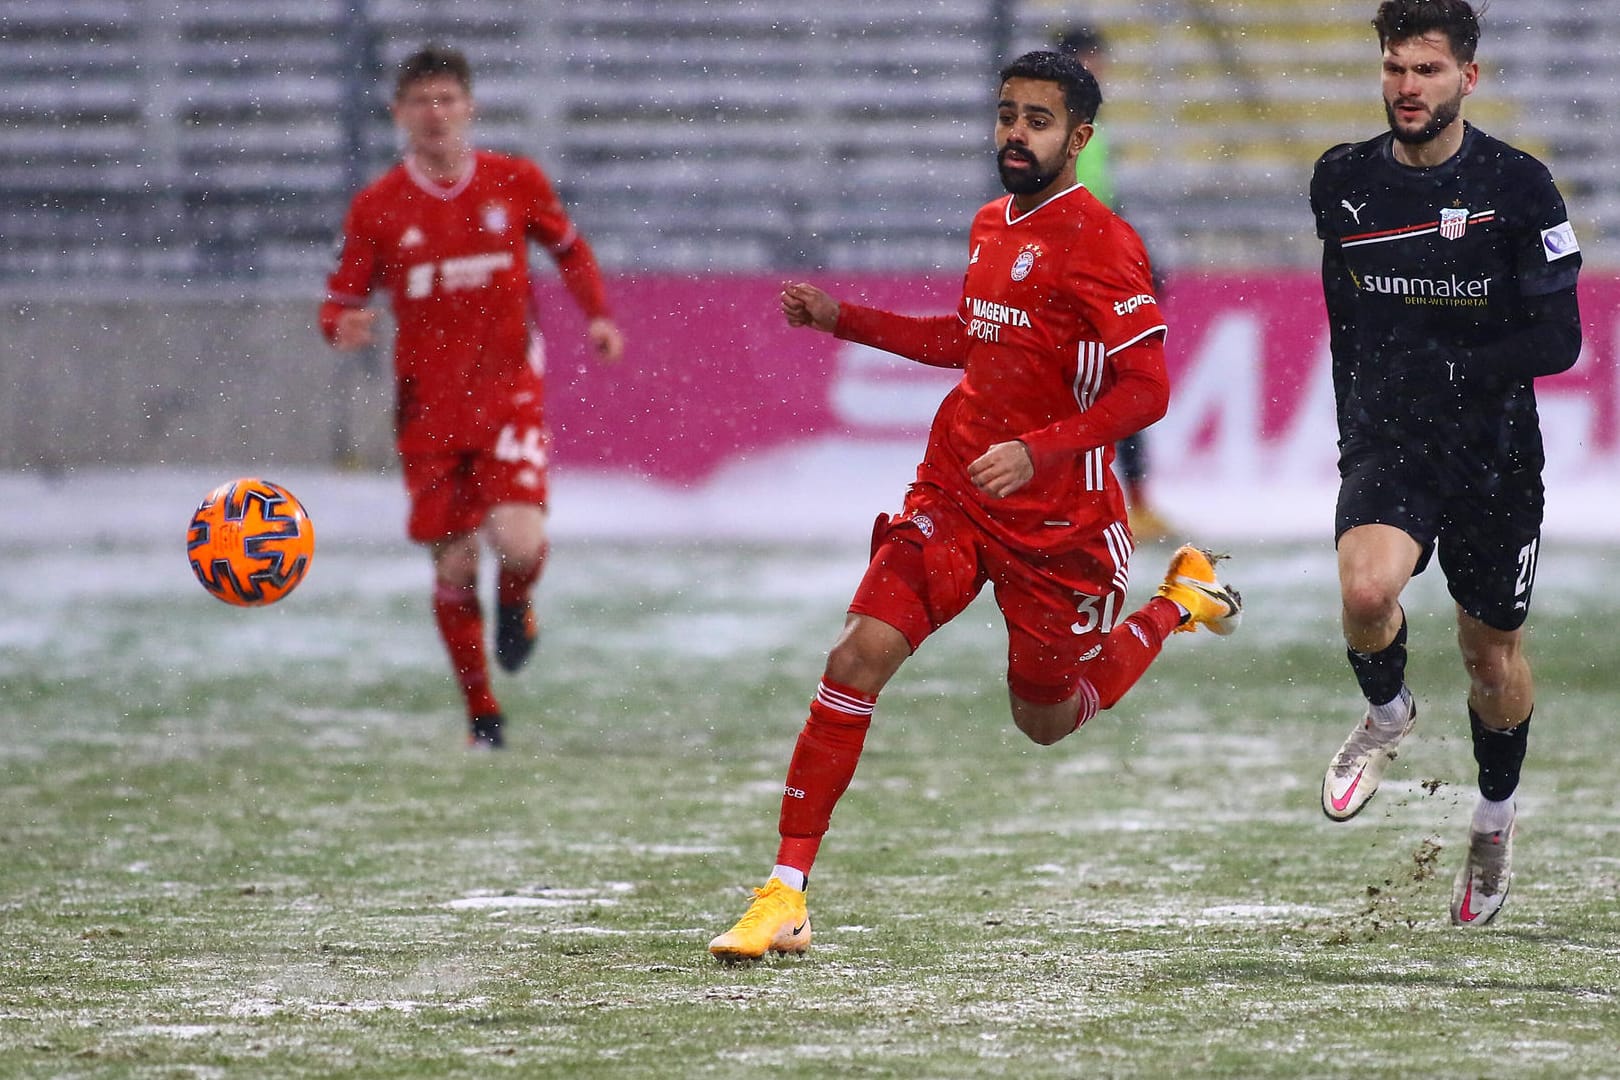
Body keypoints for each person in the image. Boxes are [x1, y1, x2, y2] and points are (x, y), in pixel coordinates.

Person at [708, 50, 1243, 963]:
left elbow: (1146, 391)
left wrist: (1039, 450)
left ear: (1078, 139)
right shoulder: (989, 224)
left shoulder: (1106, 244)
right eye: (1007, 115)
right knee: (857, 655)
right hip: (955, 491)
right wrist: (847, 320)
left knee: (1047, 718)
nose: (1015, 134)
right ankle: (784, 894)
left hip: (1060, 532)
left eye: (1037, 120)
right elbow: (967, 339)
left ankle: (1172, 605)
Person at [1310, 0, 1582, 926]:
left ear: (1469, 77)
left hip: (1497, 454)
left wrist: (1459, 366)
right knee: (1363, 592)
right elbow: (1343, 311)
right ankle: (1388, 715)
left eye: (1426, 71)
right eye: (1395, 68)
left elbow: (1560, 339)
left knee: (1489, 653)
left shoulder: (1519, 185)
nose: (1407, 87)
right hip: (1393, 441)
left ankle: (1496, 816)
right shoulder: (1341, 180)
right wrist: (1359, 417)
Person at [320, 43, 624, 749]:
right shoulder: (377, 209)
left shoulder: (514, 181)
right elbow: (338, 301)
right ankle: (483, 716)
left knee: (519, 544)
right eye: (421, 101)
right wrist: (344, 325)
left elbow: (569, 248)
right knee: (455, 564)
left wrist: (599, 315)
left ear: (469, 106)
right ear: (399, 114)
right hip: (428, 408)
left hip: (507, 392)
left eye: (447, 99)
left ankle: (516, 602)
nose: (435, 114)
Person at [1054, 24, 1172, 543]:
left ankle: (1120, 502)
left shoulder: (1085, 127)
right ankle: (1109, 503)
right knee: (1114, 387)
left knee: (1110, 386)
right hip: (1083, 277)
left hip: (1094, 272)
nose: (1100, 71)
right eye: (1093, 61)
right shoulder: (1065, 127)